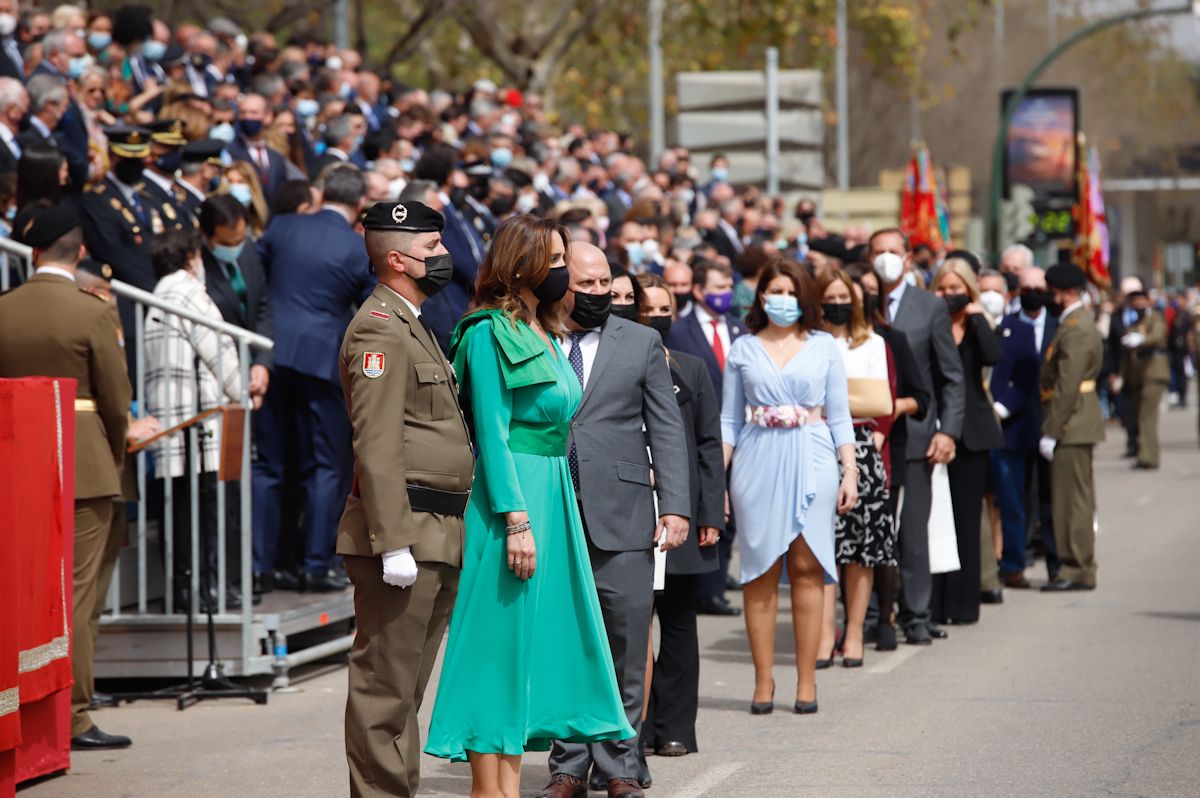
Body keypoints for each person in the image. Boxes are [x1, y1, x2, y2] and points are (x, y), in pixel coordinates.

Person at [425, 218, 634, 798]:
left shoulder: (546, 331)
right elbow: (490, 435)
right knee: (498, 649)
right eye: (557, 257)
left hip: (553, 496)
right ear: (522, 265)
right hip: (510, 504)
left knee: (535, 648)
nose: (565, 269)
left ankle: (504, 790)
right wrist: (515, 519)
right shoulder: (486, 333)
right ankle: (489, 791)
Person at [538, 241, 689, 798]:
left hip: (624, 513)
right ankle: (568, 765)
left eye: (607, 284)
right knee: (564, 642)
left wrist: (674, 506)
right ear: (561, 284)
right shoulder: (533, 335)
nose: (601, 293)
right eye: (589, 285)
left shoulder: (643, 342)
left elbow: (667, 428)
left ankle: (622, 763)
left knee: (626, 642)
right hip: (554, 509)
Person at [336, 200, 475, 798]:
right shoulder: (378, 328)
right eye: (432, 249)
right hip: (405, 530)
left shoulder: (413, 321)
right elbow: (378, 441)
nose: (443, 258)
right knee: (384, 692)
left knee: (406, 692)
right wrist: (391, 541)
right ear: (396, 259)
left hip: (437, 526)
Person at [0, 203, 132, 750]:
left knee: (20, 595)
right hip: (82, 463)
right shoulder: (91, 310)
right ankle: (73, 716)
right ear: (79, 252)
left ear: (32, 253)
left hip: (14, 460)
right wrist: (116, 453)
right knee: (77, 597)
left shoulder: (4, 308)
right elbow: (116, 399)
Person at [722, 258, 857, 716]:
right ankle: (763, 681)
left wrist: (850, 470)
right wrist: (718, 480)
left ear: (805, 298)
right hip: (757, 457)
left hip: (814, 454)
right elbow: (728, 420)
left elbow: (839, 415)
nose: (782, 299)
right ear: (761, 297)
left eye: (791, 291)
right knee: (758, 570)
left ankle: (806, 680)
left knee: (807, 566)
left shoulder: (823, 346)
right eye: (774, 291)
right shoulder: (742, 348)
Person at [254, 165, 373, 593]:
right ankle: (316, 563)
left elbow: (255, 279)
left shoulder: (282, 227)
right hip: (321, 361)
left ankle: (262, 565)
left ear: (321, 195)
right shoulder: (358, 247)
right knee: (325, 465)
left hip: (269, 356)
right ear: (359, 205)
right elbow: (369, 309)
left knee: (269, 463)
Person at [635, 273, 724, 760]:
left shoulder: (691, 368)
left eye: (662, 307)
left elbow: (709, 444)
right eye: (644, 308)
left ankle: (675, 728)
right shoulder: (614, 363)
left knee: (678, 622)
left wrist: (710, 510)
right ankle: (637, 727)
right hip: (631, 512)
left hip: (682, 513)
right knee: (631, 625)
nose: (654, 316)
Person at [870, 229, 964, 645]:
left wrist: (949, 430)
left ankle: (917, 613)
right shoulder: (857, 304)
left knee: (912, 533)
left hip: (916, 437)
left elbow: (950, 377)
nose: (886, 259)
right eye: (878, 252)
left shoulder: (929, 308)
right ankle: (873, 613)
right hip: (867, 440)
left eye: (893, 251)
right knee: (872, 531)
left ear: (907, 259)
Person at [143, 228, 245, 610]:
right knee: (207, 514)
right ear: (190, 258)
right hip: (200, 424)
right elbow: (219, 349)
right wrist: (243, 394)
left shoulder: (156, 295)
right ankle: (209, 589)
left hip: (171, 424)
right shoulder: (188, 293)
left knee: (180, 513)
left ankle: (185, 590)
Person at [847, 262, 929, 651]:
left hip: (882, 452)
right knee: (845, 544)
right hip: (836, 452)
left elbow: (919, 397)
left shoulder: (889, 340)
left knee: (881, 541)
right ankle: (856, 621)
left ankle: (885, 618)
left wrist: (881, 420)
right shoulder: (827, 341)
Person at [816, 268, 895, 667]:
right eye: (829, 296)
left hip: (861, 448)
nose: (837, 304)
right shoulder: (810, 342)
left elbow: (882, 402)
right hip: (814, 444)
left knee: (861, 548)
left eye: (844, 297)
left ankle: (855, 631)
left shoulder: (872, 343)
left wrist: (837, 401)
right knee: (820, 544)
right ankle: (823, 632)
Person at [665, 258, 746, 616]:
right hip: (699, 428)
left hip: (740, 431)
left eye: (728, 286)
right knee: (709, 505)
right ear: (698, 291)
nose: (724, 294)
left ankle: (717, 581)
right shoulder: (678, 331)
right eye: (716, 287)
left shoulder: (738, 329)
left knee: (729, 513)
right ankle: (706, 591)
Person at [928, 255, 1002, 625]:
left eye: (955, 289)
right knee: (935, 519)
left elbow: (993, 356)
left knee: (966, 521)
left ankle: (963, 604)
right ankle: (934, 604)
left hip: (972, 434)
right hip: (934, 432)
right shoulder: (930, 320)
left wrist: (975, 317)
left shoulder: (976, 324)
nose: (948, 294)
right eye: (942, 288)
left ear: (969, 291)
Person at [1039, 264, 1104, 592]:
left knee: (1072, 499)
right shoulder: (1074, 322)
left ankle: (1076, 567)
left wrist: (1052, 430)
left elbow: (1067, 384)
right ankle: (1076, 565)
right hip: (1075, 419)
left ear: (1063, 292)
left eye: (1051, 291)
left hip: (1071, 420)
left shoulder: (1076, 327)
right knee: (1074, 496)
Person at [990, 274, 1045, 590]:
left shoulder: (1020, 329)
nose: (989, 296)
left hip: (1009, 427)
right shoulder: (964, 326)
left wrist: (1001, 408)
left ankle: (1013, 563)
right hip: (973, 427)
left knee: (1011, 500)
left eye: (995, 290)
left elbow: (1027, 378)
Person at [1118, 286, 1169, 470]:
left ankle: (1148, 457)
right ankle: (1148, 454)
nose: (1138, 304)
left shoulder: (1155, 317)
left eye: (1141, 300)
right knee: (1141, 415)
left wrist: (1140, 340)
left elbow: (1157, 335)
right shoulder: (1132, 322)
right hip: (1137, 375)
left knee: (1147, 416)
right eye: (1134, 301)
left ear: (1148, 301)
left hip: (1154, 372)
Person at [1107, 276, 1148, 458]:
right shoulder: (1116, 316)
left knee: (1143, 410)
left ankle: (1144, 445)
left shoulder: (1148, 315)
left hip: (1144, 370)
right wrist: (1112, 372)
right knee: (1126, 409)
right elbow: (1112, 345)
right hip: (1124, 369)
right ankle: (1132, 442)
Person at [226, 92, 288, 207]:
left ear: (267, 116)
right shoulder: (230, 151)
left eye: (254, 112)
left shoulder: (276, 157)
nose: (247, 117)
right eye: (243, 112)